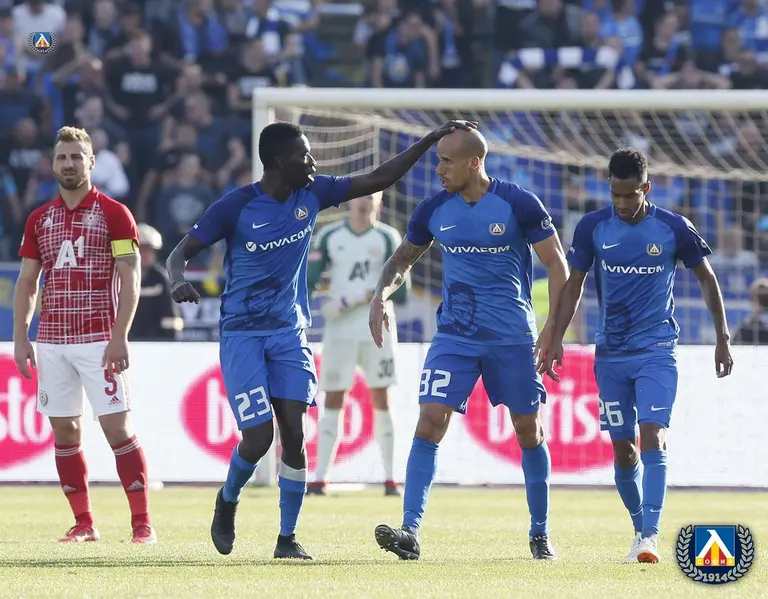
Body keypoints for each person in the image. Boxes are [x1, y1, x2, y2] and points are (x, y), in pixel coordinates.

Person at [165, 119, 475, 560]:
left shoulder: (314, 192)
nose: (312, 162)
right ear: (278, 162)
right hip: (243, 335)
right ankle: (228, 499)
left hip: (289, 332)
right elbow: (179, 253)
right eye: (303, 155)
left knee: (294, 432)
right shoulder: (235, 206)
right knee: (258, 438)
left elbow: (379, 178)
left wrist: (429, 139)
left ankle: (287, 539)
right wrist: (177, 279)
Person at [369, 127, 569, 561]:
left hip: (511, 338)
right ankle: (410, 531)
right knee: (429, 422)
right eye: (437, 160)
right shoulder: (434, 208)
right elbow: (402, 260)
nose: (438, 169)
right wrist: (381, 294)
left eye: (446, 161)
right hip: (454, 337)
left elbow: (558, 265)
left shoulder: (519, 203)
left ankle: (539, 533)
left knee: (528, 430)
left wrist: (553, 328)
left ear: (474, 162)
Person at [537, 148, 734, 564]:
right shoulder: (592, 227)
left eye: (630, 195)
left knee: (653, 434)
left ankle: (650, 535)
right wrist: (555, 335)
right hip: (610, 353)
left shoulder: (673, 228)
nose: (623, 203)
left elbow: (707, 278)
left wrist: (723, 337)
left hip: (656, 349)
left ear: (647, 188)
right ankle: (639, 528)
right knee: (624, 451)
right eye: (616, 194)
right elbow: (574, 284)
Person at [12, 126, 155, 544]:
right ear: (53, 164)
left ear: (92, 162)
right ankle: (84, 523)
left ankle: (142, 523)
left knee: (117, 429)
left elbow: (130, 279)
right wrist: (22, 337)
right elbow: (27, 282)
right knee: (66, 433)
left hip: (99, 341)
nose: (69, 164)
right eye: (62, 157)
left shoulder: (115, 213)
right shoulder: (39, 219)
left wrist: (120, 335)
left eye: (77, 156)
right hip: (53, 342)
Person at [306, 192, 407, 497]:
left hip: (378, 329)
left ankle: (390, 478)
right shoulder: (329, 237)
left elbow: (402, 292)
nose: (363, 202)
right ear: (349, 201)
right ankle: (321, 478)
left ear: (379, 203)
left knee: (382, 398)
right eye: (359, 197)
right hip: (340, 331)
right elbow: (309, 282)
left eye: (370, 197)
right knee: (333, 398)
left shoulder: (388, 238)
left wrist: (357, 297)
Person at [129, 223, 183, 341]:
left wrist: (168, 343)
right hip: (126, 342)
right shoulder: (121, 277)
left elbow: (170, 318)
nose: (146, 255)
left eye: (150, 251)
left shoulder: (161, 279)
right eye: (142, 250)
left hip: (156, 343)